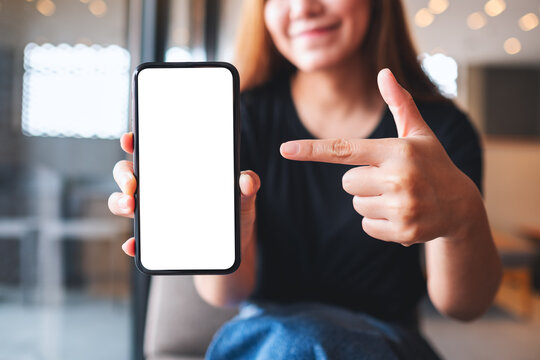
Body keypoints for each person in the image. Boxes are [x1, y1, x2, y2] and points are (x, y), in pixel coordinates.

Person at [109, 0, 503, 358]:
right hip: (266, 335)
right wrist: (225, 233)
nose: (302, 7)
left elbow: (464, 306)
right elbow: (227, 294)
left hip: (385, 340)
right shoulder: (239, 117)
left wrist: (464, 220)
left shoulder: (440, 132)